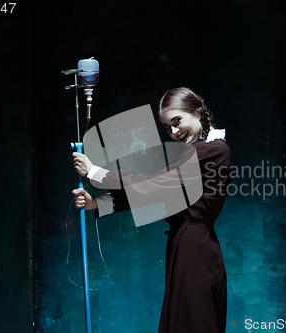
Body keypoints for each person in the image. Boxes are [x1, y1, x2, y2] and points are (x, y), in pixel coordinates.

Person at [71, 87, 231, 333]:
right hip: (190, 245)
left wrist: (95, 173)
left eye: (177, 122)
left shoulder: (212, 151)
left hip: (195, 249)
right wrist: (99, 203)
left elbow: (151, 185)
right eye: (168, 127)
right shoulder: (198, 151)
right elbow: (159, 193)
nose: (175, 132)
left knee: (192, 323)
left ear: (198, 113)